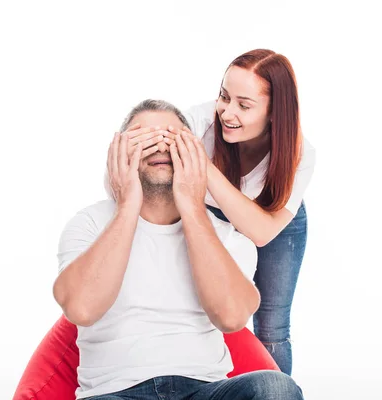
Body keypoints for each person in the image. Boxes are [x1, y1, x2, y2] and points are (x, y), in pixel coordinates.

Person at [55, 99, 304, 399]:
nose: (159, 146)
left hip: (205, 389)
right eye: (142, 139)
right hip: (115, 392)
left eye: (172, 138)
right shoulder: (89, 224)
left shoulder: (227, 237)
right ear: (118, 154)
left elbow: (232, 316)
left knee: (277, 388)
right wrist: (128, 206)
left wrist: (192, 205)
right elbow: (81, 307)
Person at [110, 49, 315, 375]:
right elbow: (117, 178)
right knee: (212, 317)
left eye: (244, 105)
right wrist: (132, 144)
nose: (227, 112)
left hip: (275, 224)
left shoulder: (299, 153)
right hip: (211, 213)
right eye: (224, 96)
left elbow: (262, 233)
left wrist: (201, 166)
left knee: (273, 330)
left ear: (275, 112)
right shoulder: (196, 124)